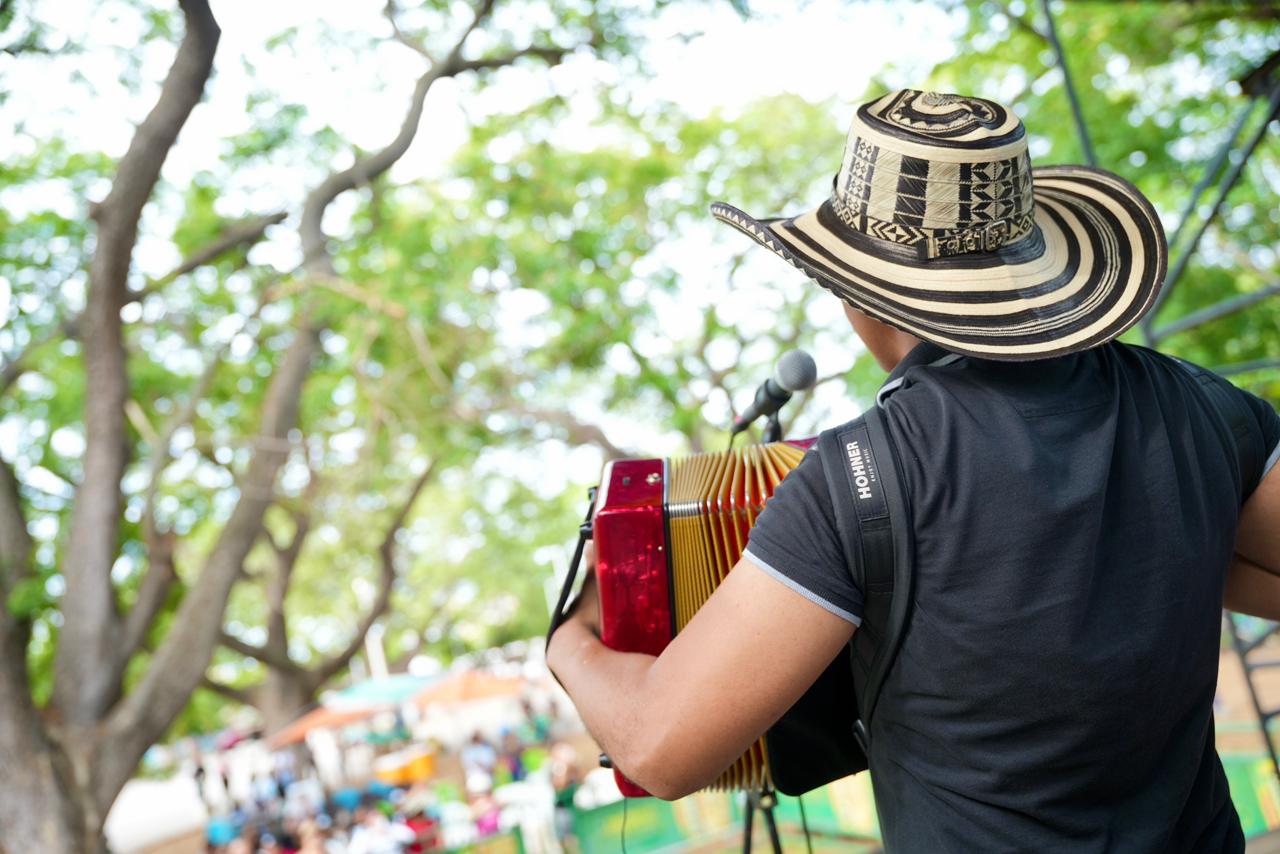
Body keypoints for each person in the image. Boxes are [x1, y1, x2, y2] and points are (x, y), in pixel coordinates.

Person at [546, 89, 1280, 852]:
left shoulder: (855, 481)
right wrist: (1160, 553)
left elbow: (658, 748)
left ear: (853, 292)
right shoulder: (1198, 403)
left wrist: (567, 638)